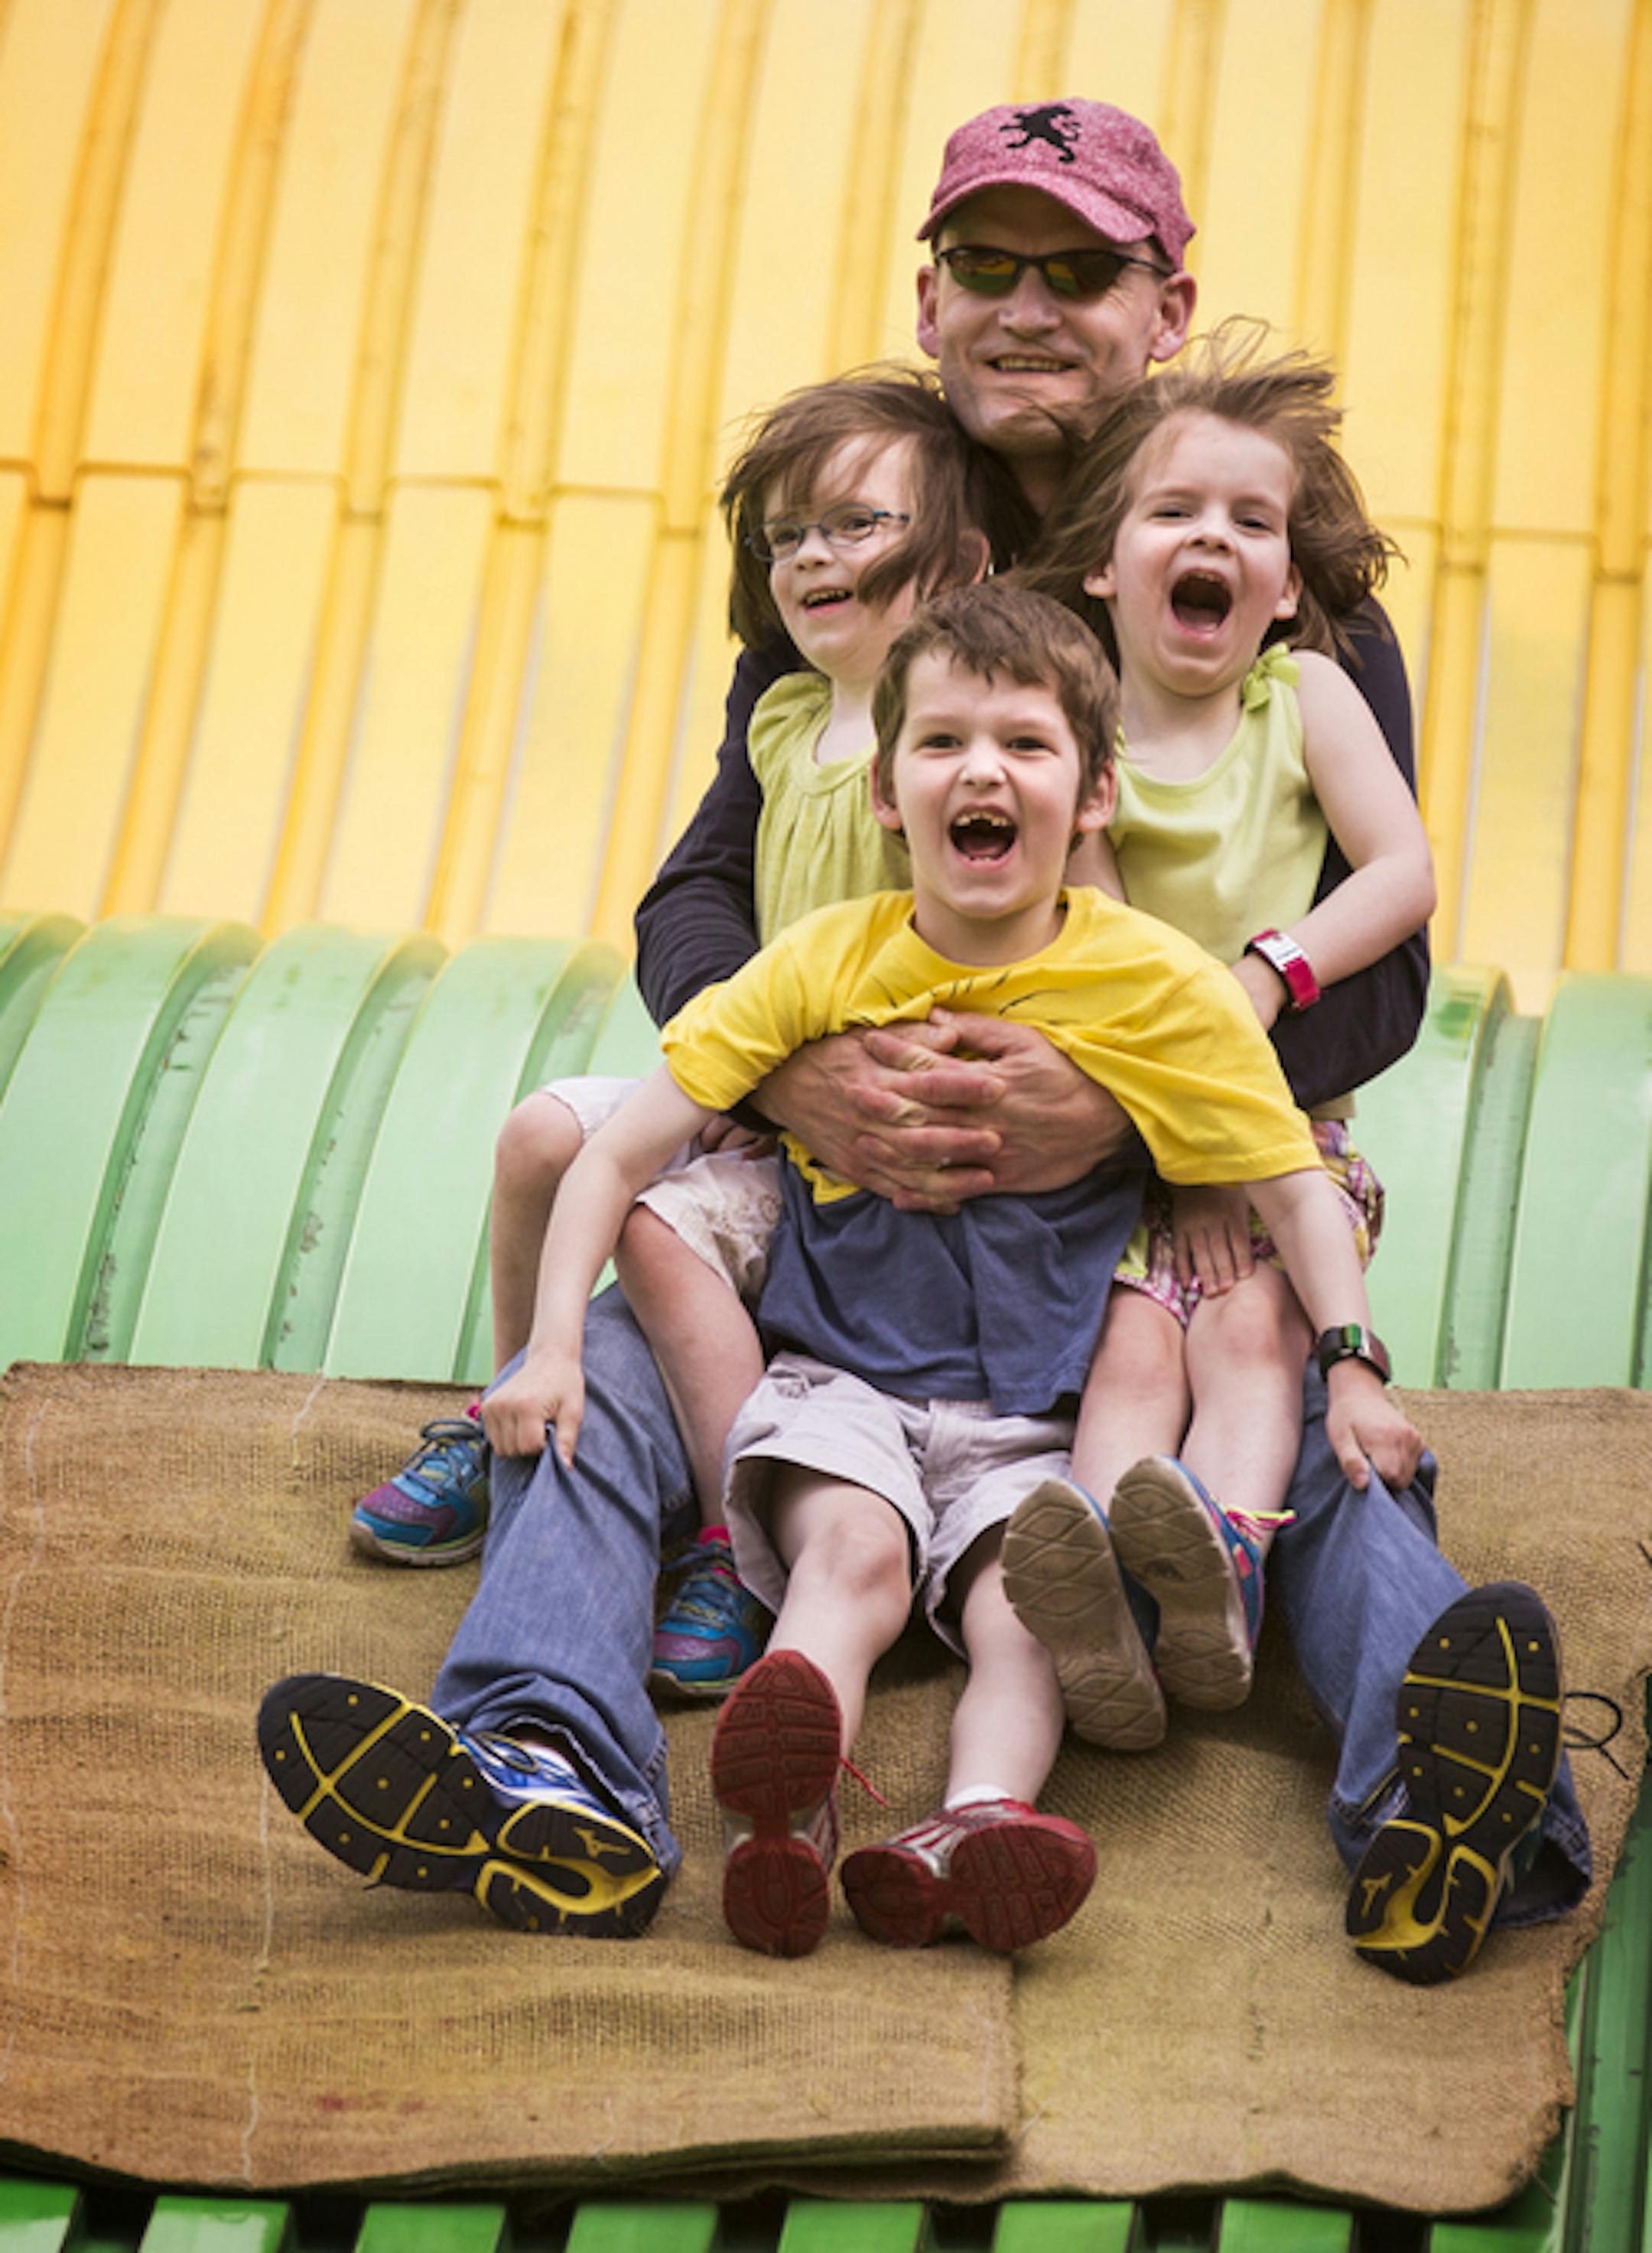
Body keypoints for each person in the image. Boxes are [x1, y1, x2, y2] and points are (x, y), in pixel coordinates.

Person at [259, 98, 1588, 1983]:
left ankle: (1450, 1813)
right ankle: (547, 1766)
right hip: (849, 1166)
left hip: (1168, 1183)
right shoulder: (861, 535)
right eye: (989, 264)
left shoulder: (1275, 587)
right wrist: (799, 1069)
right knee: (625, 1363)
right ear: (932, 294)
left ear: (1165, 299)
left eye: (1081, 269)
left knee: (1287, 1429)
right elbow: (699, 897)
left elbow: (1383, 965)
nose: (1029, 306)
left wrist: (1125, 1101)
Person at [280, 583, 1419, 1962]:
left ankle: (972, 1825)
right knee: (850, 1557)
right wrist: (546, 1353)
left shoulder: (1162, 989)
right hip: (845, 1387)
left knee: (1026, 1602)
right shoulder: (821, 965)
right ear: (886, 794)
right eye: (940, 745)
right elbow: (615, 1151)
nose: (981, 771)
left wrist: (1352, 1372)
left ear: (1098, 791)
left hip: (1039, 1418)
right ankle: (788, 1820)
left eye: (1026, 744)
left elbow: (1293, 1190)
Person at [355, 371, 1029, 1708]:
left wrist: (794, 1083)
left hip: (852, 1110)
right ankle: (510, 1402)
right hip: (759, 1065)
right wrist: (740, 1063)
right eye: (786, 536)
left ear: (959, 560)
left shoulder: (944, 733)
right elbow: (700, 895)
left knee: (665, 1234)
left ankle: (736, 1535)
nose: (812, 557)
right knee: (542, 1133)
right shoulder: (781, 717)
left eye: (855, 525)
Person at [988, 331, 1437, 1742]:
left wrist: (1270, 971)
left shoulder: (1303, 699)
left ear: (1289, 588)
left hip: (1285, 1130)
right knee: (1131, 1349)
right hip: (1141, 1145)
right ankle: (1107, 1592)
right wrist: (1180, 1133)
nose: (1215, 539)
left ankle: (1224, 1567)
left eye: (1253, 524)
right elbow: (1105, 949)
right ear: (1104, 566)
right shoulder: (1079, 732)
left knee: (1250, 1333)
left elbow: (1403, 874)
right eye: (1176, 511)